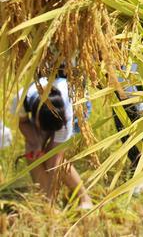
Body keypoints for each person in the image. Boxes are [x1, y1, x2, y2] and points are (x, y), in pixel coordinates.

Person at [15, 77, 92, 208]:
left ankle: (84, 199)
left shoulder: (66, 114)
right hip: (45, 113)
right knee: (33, 153)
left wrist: (51, 196)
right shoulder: (21, 98)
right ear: (36, 117)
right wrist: (36, 142)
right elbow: (22, 123)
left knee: (52, 158)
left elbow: (56, 161)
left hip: (77, 107)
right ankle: (49, 205)